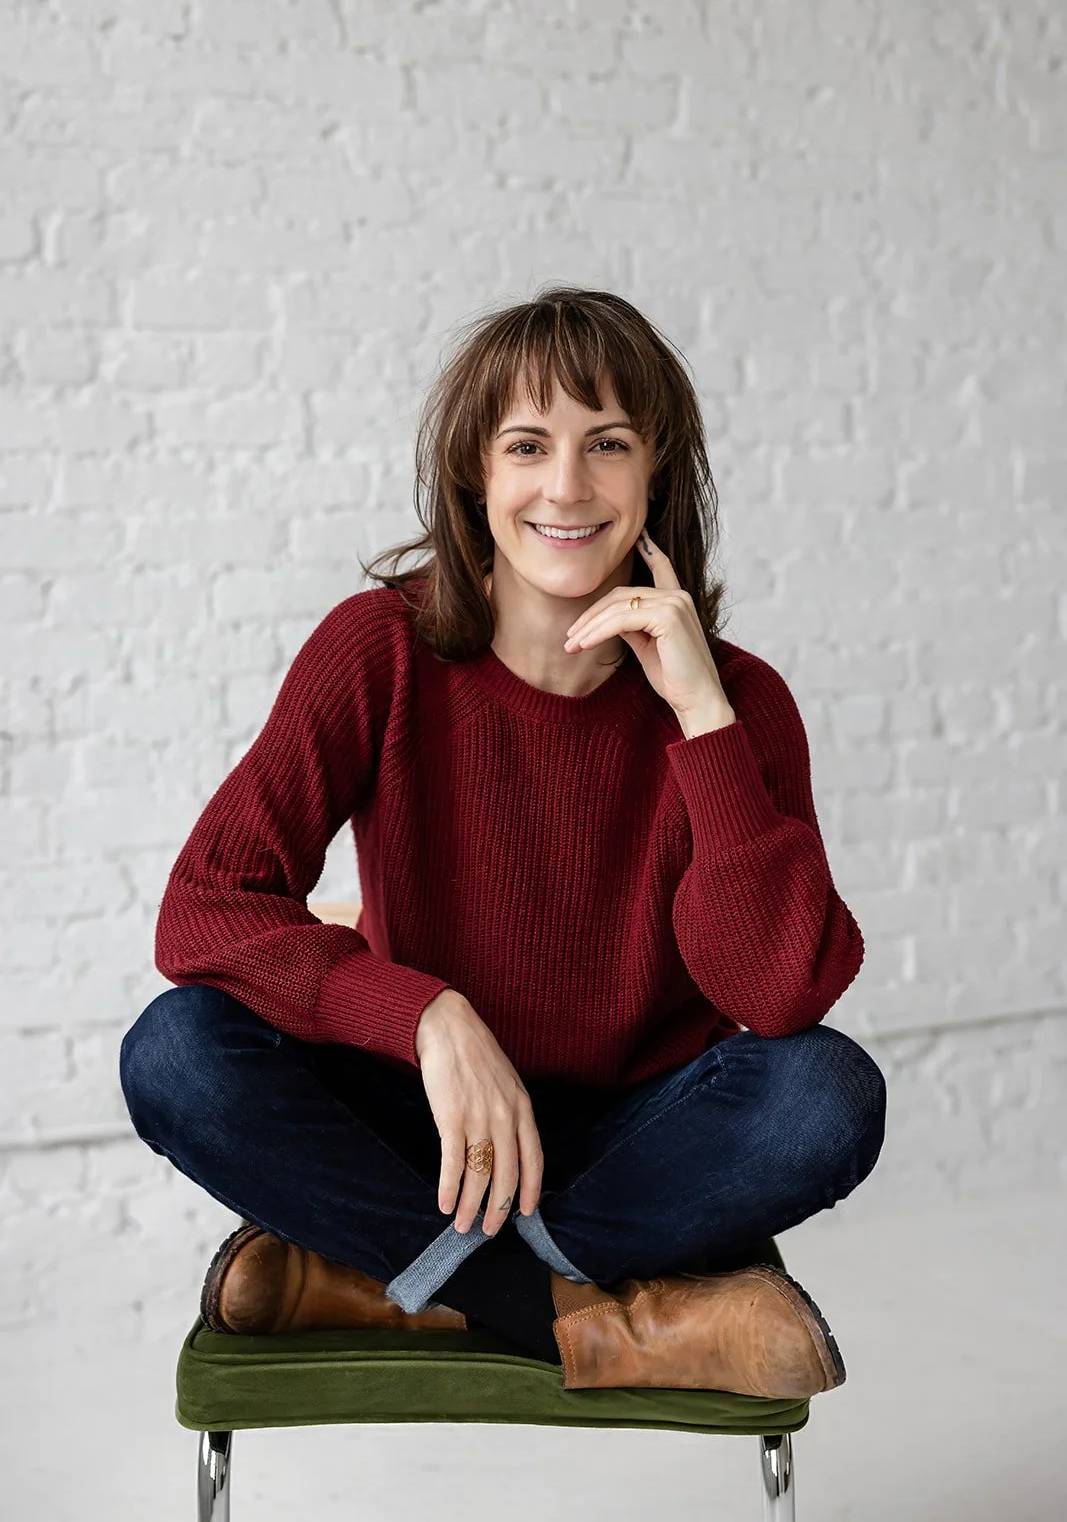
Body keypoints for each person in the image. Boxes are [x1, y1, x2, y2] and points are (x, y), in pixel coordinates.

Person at [119, 285, 887, 1396]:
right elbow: (206, 905)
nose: (566, 487)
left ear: (656, 471)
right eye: (527, 445)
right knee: (178, 1051)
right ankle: (584, 1319)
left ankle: (398, 1282)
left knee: (828, 1095)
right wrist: (426, 1014)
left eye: (606, 444)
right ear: (478, 476)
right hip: (430, 1129)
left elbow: (780, 993)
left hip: (632, 1142)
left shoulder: (741, 702)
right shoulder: (375, 651)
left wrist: (702, 722)